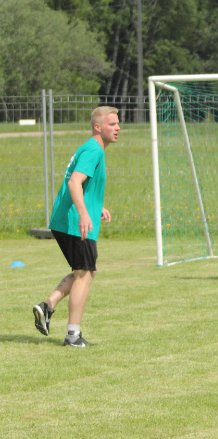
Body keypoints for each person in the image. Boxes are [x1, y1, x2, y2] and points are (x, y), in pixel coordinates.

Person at [32, 106, 121, 348]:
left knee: (86, 270)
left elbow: (82, 185)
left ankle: (48, 305)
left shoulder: (92, 149)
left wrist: (94, 207)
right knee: (84, 273)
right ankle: (72, 335)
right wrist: (83, 213)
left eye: (118, 123)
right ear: (97, 127)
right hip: (73, 222)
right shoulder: (94, 150)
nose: (118, 128)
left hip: (70, 220)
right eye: (112, 124)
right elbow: (74, 182)